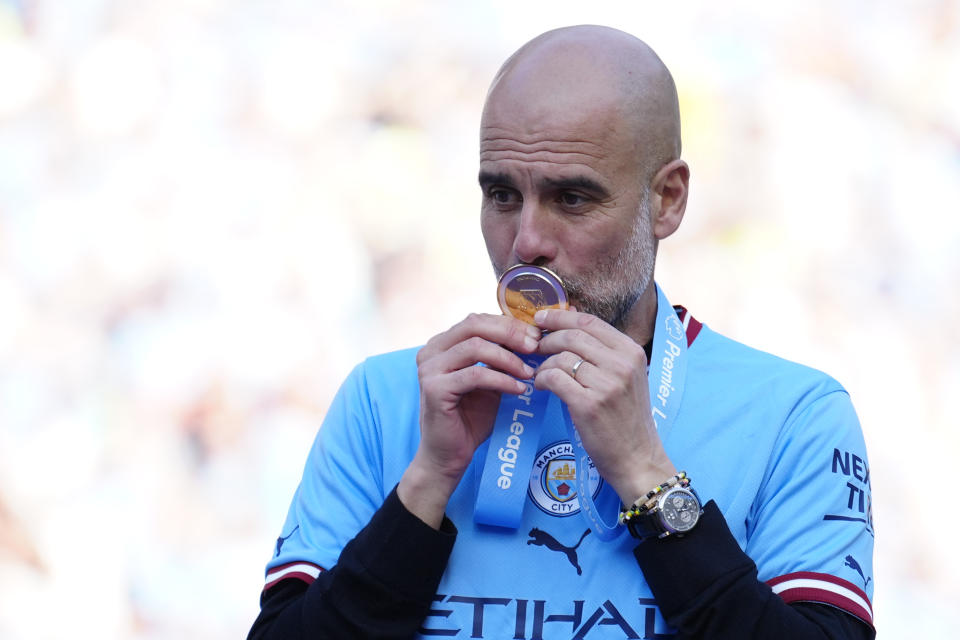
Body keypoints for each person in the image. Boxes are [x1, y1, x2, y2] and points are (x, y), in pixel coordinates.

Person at [248, 25, 875, 640]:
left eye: (572, 198)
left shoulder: (795, 415)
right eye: (501, 194)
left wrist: (647, 478)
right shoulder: (382, 399)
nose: (526, 242)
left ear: (667, 200)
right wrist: (427, 482)